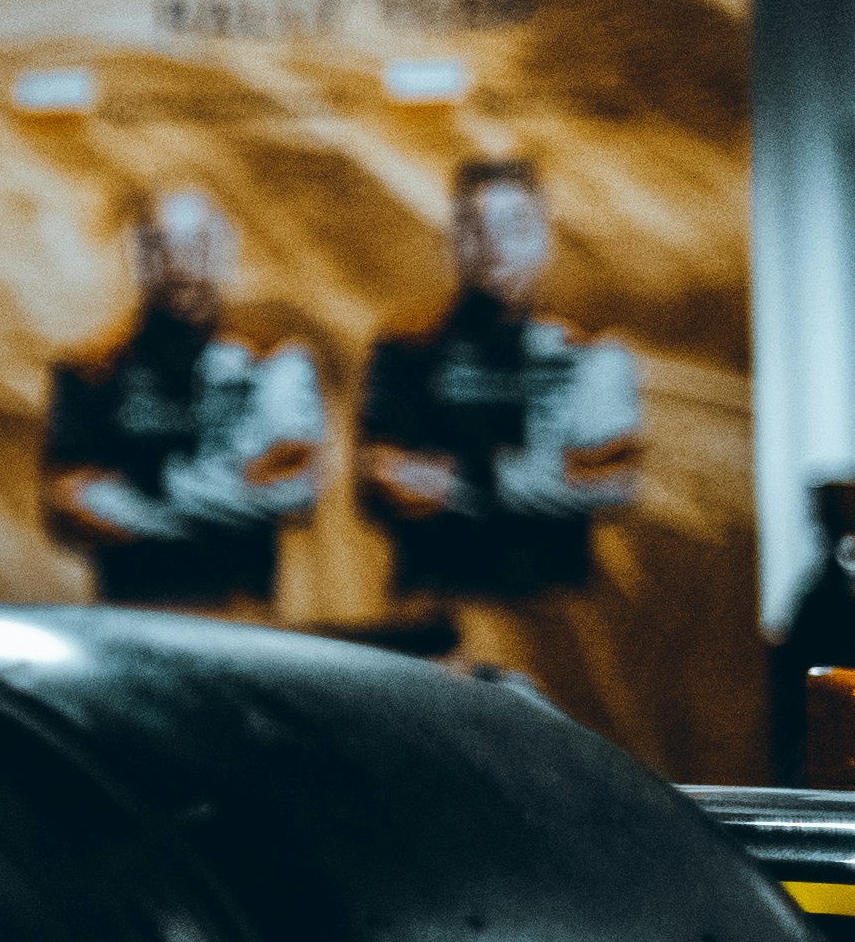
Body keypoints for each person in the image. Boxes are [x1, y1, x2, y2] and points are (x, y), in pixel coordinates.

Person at [358, 157, 644, 599]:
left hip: (555, 603)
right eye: (475, 228)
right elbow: (379, 480)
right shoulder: (404, 350)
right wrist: (547, 475)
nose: (495, 247)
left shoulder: (588, 350)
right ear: (454, 241)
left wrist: (460, 478)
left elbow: (611, 480)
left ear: (544, 239)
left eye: (515, 226)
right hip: (439, 603)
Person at [36, 184, 323, 606]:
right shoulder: (92, 369)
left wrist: (150, 496)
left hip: (241, 613)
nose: (180, 265)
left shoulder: (271, 359)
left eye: (197, 245)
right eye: (161, 246)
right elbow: (67, 506)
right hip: (134, 613)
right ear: (138, 255)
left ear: (225, 251)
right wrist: (228, 501)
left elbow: (297, 490)